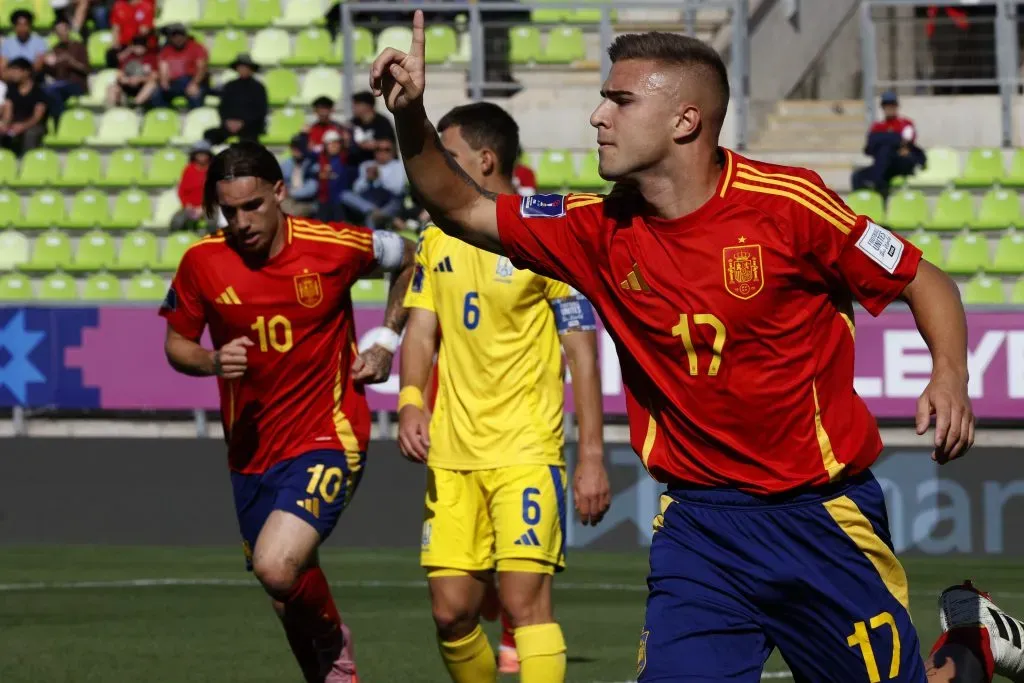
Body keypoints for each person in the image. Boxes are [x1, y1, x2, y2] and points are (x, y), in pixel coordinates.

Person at [371, 14, 1023, 683]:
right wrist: (411, 116)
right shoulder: (593, 229)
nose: (597, 115)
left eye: (620, 101)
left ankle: (969, 636)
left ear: (685, 120)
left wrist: (949, 374)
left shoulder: (790, 205)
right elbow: (461, 208)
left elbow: (922, 277)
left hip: (819, 519)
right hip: (698, 529)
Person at [160, 140, 416, 683]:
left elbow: (409, 255)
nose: (241, 221)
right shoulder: (202, 261)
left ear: (280, 193)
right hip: (251, 452)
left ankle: (336, 646)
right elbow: (176, 344)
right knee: (285, 594)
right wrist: (209, 359)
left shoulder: (332, 245)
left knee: (277, 566)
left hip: (329, 432)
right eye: (229, 211)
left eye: (252, 206)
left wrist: (386, 341)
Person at [397, 101, 610, 683]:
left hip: (525, 452)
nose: (435, 167)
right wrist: (411, 398)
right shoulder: (436, 239)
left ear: (485, 160)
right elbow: (420, 328)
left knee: (525, 603)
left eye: (450, 155)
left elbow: (582, 354)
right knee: (450, 614)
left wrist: (591, 455)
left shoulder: (546, 237)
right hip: (453, 454)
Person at [851, 91, 926, 199]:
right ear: (883, 107)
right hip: (882, 165)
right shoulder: (877, 126)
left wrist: (883, 139)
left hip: (900, 164)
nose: (890, 108)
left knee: (885, 152)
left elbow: (907, 143)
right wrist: (894, 139)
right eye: (887, 105)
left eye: (892, 105)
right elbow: (869, 148)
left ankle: (880, 195)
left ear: (897, 106)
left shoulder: (905, 124)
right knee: (857, 176)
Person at [340, 138, 406, 230]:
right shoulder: (366, 164)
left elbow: (398, 188)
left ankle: (373, 228)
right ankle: (373, 211)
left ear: (393, 152)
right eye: (378, 149)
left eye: (386, 149)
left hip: (389, 201)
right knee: (344, 195)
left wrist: (380, 177)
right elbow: (357, 189)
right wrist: (367, 179)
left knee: (371, 217)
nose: (382, 152)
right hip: (369, 201)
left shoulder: (398, 166)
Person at [204, 53, 268, 145]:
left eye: (245, 67)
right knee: (210, 134)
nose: (242, 70)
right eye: (240, 67)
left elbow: (261, 110)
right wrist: (227, 121)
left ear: (251, 69)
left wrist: (243, 123)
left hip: (250, 127)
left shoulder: (258, 88)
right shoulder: (230, 86)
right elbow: (223, 107)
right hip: (229, 125)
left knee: (249, 141)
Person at [42, 16, 90, 125]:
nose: (62, 33)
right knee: (46, 92)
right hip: (59, 84)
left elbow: (87, 69)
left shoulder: (79, 46)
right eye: (58, 31)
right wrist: (46, 64)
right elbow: (51, 72)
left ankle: (60, 121)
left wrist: (72, 62)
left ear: (69, 30)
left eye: (64, 30)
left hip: (76, 84)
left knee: (53, 91)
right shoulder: (55, 49)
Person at [152, 23, 208, 110]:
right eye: (174, 36)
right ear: (170, 38)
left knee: (196, 95)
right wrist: (164, 81)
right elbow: (163, 68)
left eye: (180, 35)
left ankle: (195, 118)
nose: (178, 39)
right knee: (156, 95)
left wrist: (195, 83)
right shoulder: (166, 50)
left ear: (185, 36)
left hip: (190, 80)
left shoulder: (197, 47)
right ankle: (166, 117)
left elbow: (201, 68)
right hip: (173, 82)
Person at [0, 58, 48, 157]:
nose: (12, 73)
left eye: (15, 70)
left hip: (32, 124)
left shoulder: (39, 92)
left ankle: (26, 161)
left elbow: (37, 117)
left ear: (26, 72)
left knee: (30, 134)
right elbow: (8, 109)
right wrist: (5, 124)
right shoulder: (11, 89)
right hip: (14, 124)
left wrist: (23, 126)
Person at [315, 128, 358, 223]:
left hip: (340, 201)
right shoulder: (320, 160)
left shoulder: (344, 158)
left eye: (336, 143)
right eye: (330, 143)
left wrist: (348, 138)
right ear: (325, 146)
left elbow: (354, 151)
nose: (333, 145)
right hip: (323, 201)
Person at [171, 140, 213, 232]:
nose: (201, 156)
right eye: (199, 154)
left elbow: (216, 192)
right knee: (176, 222)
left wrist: (204, 207)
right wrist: (187, 205)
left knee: (212, 223)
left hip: (209, 207)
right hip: (190, 207)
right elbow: (182, 191)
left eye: (204, 154)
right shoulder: (188, 170)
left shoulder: (214, 170)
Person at [107, 33, 158, 107]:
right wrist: (127, 80)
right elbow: (119, 75)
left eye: (141, 45)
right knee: (112, 87)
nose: (139, 47)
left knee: (152, 84)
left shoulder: (151, 58)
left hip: (142, 86)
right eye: (136, 45)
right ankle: (113, 109)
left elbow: (155, 76)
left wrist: (140, 79)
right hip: (127, 85)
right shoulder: (126, 58)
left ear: (146, 46)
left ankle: (135, 104)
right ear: (132, 46)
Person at [350, 90, 395, 166]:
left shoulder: (382, 122)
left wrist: (371, 144)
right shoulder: (354, 122)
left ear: (367, 106)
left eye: (356, 104)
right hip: (358, 166)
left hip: (381, 167)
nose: (353, 107)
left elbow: (388, 144)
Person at [105, 0, 155, 68]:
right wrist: (115, 48)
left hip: (142, 45)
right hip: (124, 46)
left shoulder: (146, 6)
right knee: (111, 55)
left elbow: (143, 32)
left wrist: (129, 50)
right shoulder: (118, 6)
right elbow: (115, 29)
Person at [281, 133, 319, 218]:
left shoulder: (312, 164)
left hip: (306, 202)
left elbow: (312, 189)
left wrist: (290, 192)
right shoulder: (285, 164)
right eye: (293, 147)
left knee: (290, 213)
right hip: (288, 199)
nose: (296, 150)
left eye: (299, 147)